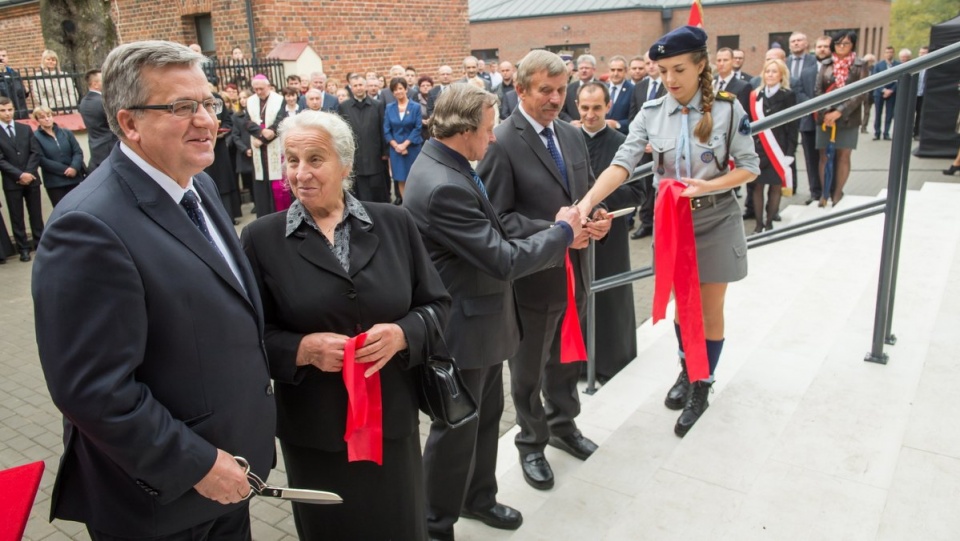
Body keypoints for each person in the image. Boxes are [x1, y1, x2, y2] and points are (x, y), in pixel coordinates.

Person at [32, 40, 276, 539]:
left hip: (230, 478)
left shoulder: (196, 185)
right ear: (128, 124)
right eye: (182, 107)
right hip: (162, 501)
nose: (207, 121)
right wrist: (199, 465)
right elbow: (93, 391)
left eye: (208, 103)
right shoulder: (88, 227)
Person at [241, 110, 449, 540]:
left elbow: (438, 306)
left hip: (390, 422)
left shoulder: (394, 222)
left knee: (400, 525)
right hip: (316, 432)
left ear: (346, 165)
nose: (301, 173)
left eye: (315, 159)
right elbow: (248, 337)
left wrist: (401, 334)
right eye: (291, 160)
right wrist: (301, 350)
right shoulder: (261, 239)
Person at [404, 84, 581, 541]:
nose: (494, 137)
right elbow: (501, 257)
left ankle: (477, 498)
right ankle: (434, 524)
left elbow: (494, 230)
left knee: (482, 422)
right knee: (456, 430)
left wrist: (554, 228)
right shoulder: (444, 185)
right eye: (487, 128)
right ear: (464, 130)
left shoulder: (450, 164)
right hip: (463, 329)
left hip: (481, 322)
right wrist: (561, 233)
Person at [576, 25, 760, 437]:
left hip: (714, 218)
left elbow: (750, 167)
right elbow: (622, 163)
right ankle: (687, 368)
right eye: (662, 71)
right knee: (682, 304)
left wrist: (708, 184)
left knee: (708, 307)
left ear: (700, 65)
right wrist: (586, 202)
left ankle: (703, 383)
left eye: (678, 69)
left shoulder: (728, 110)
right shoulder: (651, 112)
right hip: (672, 221)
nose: (670, 79)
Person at [477, 49, 611, 491]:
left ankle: (564, 425)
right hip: (533, 280)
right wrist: (557, 231)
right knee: (530, 369)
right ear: (520, 90)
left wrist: (599, 215)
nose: (556, 99)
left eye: (561, 90)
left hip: (576, 270)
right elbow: (497, 219)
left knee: (567, 356)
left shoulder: (571, 136)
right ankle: (531, 443)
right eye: (545, 91)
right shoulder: (500, 142)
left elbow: (586, 194)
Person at [576, 82, 644, 381]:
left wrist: (601, 204)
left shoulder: (622, 141)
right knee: (577, 298)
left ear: (608, 107)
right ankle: (577, 365)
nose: (590, 115)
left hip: (610, 234)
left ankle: (611, 362)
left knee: (610, 299)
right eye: (584, 108)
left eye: (597, 108)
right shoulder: (568, 139)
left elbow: (638, 189)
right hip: (575, 235)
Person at [815, 30, 869, 207]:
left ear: (853, 44)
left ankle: (837, 194)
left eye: (845, 43)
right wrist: (826, 113)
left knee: (843, 155)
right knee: (824, 156)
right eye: (838, 43)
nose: (841, 47)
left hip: (849, 117)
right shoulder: (826, 64)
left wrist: (839, 111)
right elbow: (818, 90)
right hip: (825, 118)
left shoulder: (860, 65)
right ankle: (824, 194)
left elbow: (862, 92)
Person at [749, 59, 798, 233]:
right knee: (757, 186)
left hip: (779, 149)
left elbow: (793, 126)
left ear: (781, 75)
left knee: (775, 186)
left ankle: (769, 223)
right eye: (767, 71)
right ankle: (758, 224)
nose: (770, 75)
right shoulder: (756, 95)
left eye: (774, 71)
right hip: (759, 149)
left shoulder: (788, 95)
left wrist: (790, 152)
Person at [0, 96, 42, 262]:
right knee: (17, 216)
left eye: (10, 110)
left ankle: (40, 244)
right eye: (3, 111)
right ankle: (23, 248)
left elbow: (35, 152)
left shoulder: (24, 129)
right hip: (12, 182)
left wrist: (29, 172)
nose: (7, 113)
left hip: (31, 178)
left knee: (36, 214)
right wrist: (19, 175)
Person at [338, 73, 389, 203]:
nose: (359, 88)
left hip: (374, 155)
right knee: (359, 191)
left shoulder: (377, 105)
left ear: (365, 86)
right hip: (355, 156)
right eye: (355, 86)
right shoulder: (344, 107)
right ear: (351, 88)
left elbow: (382, 128)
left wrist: (385, 152)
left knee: (377, 190)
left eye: (361, 84)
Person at [247, 74, 286, 215]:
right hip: (258, 148)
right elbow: (247, 122)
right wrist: (261, 132)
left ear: (268, 87)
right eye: (255, 89)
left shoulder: (279, 100)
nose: (258, 92)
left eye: (261, 89)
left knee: (275, 184)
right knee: (261, 183)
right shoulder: (250, 101)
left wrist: (263, 139)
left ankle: (277, 213)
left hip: (273, 144)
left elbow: (281, 121)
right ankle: (263, 213)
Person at [32, 106, 84, 207]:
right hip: (55, 182)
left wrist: (74, 167)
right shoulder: (35, 137)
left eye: (49, 115)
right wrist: (65, 170)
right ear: (37, 120)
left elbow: (77, 152)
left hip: (74, 179)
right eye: (42, 117)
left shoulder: (66, 132)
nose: (47, 119)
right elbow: (41, 159)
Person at [383, 77, 422, 201]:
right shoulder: (389, 108)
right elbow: (387, 129)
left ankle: (417, 204)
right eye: (395, 90)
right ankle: (406, 205)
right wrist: (396, 146)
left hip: (412, 148)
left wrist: (405, 145)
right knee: (401, 178)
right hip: (396, 151)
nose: (398, 92)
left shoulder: (415, 107)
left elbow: (417, 127)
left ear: (406, 89)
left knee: (415, 178)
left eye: (400, 88)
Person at [78, 69, 119, 172]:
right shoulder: (103, 101)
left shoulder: (83, 102)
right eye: (104, 80)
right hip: (110, 148)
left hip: (95, 149)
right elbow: (117, 123)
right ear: (95, 84)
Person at [872, 46, 899, 141]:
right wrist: (883, 90)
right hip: (879, 93)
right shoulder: (878, 65)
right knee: (878, 113)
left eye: (891, 52)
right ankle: (877, 133)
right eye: (887, 52)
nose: (889, 54)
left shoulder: (898, 65)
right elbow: (874, 80)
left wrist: (891, 90)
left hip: (892, 92)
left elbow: (899, 79)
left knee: (889, 113)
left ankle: (886, 133)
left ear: (893, 53)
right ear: (884, 54)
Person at [605, 55, 634, 134]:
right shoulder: (601, 88)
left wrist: (617, 124)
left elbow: (636, 118)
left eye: (619, 70)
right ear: (608, 71)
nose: (615, 73)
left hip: (622, 136)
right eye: (612, 70)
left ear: (626, 71)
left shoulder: (633, 90)